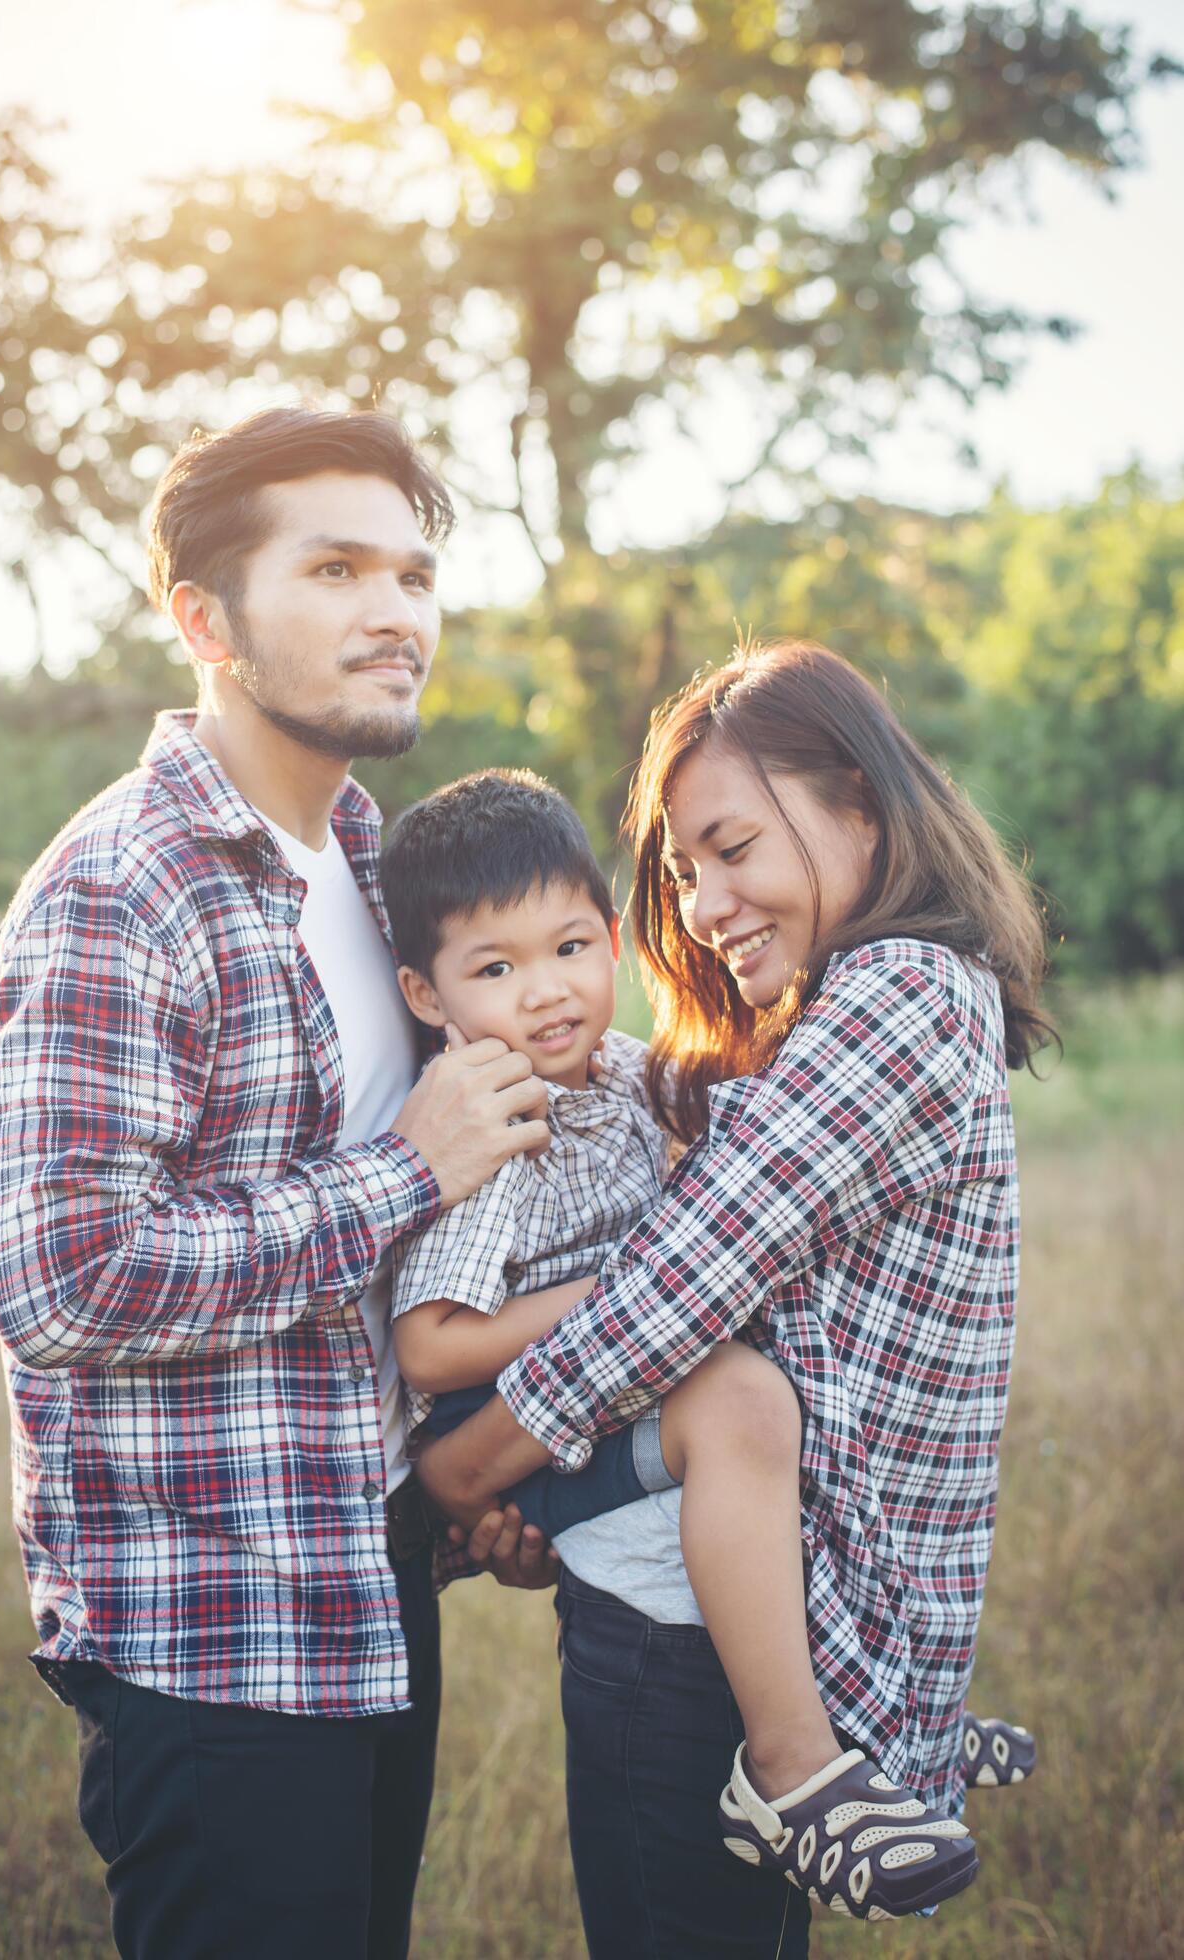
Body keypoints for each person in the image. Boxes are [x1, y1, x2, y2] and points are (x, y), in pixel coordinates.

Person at [0, 405, 560, 1960]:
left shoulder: (382, 875)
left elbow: (409, 1258)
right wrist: (398, 1170)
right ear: (203, 619)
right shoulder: (121, 892)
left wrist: (468, 1471)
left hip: (366, 1572)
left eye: (418, 574)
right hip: (205, 1630)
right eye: (339, 567)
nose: (397, 614)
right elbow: (68, 1281)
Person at [416, 640, 1050, 1954]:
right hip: (687, 1620)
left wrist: (465, 1477)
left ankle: (870, 1735)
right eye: (683, 870)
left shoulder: (896, 1002)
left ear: (860, 806)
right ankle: (869, 1736)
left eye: (731, 847)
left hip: (702, 1639)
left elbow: (676, 1294)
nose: (703, 905)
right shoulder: (884, 999)